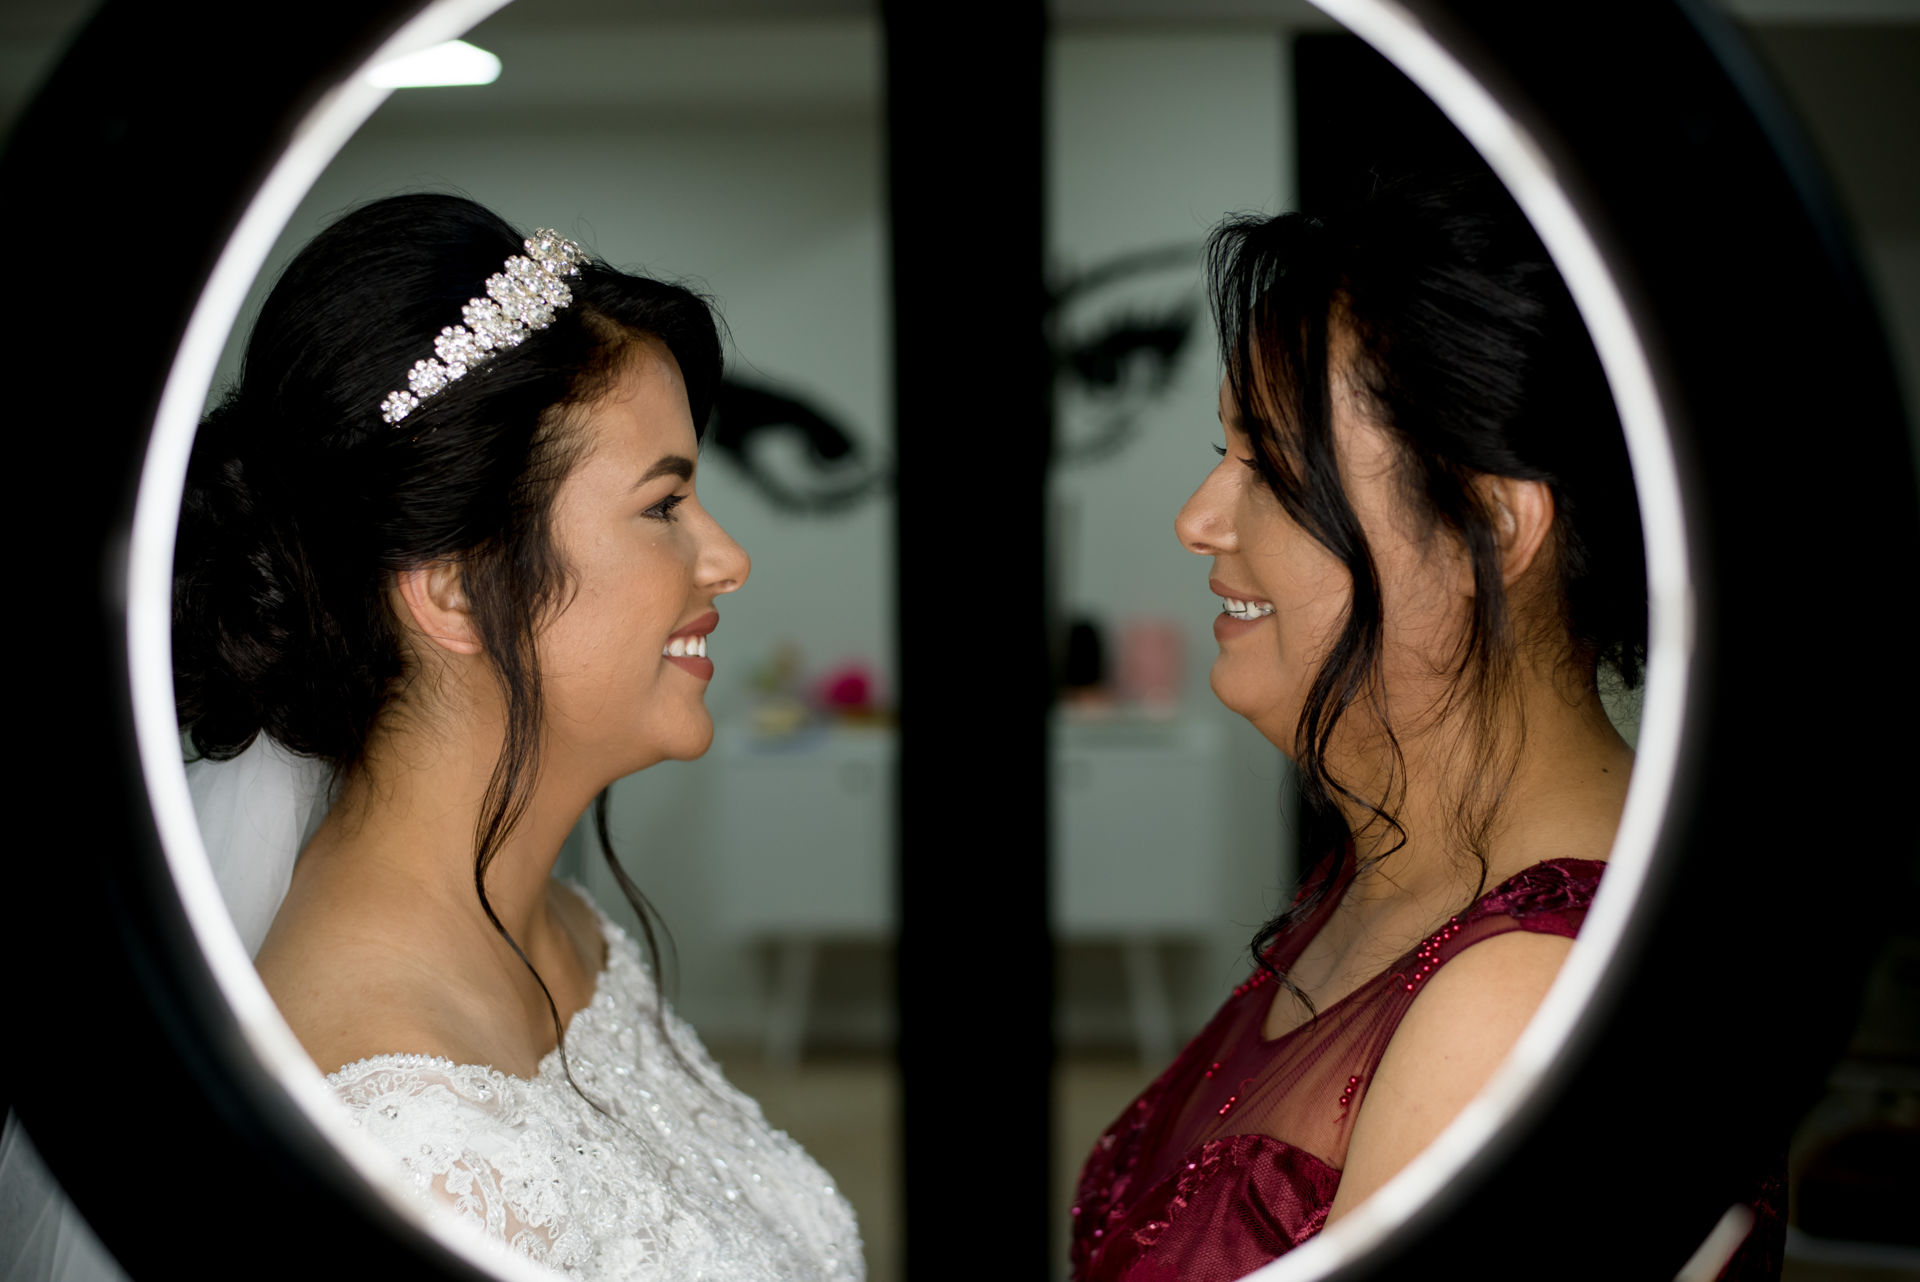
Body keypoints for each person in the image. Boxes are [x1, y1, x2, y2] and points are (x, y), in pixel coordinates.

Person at [1068, 174, 1780, 1280]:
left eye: (1272, 464)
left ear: (1489, 530)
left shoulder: (1521, 1005)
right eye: (1222, 452)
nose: (1197, 519)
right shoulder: (1397, 866)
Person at [159, 193, 859, 1280]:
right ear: (451, 588)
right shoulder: (405, 1147)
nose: (727, 560)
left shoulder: (563, 925)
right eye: (662, 506)